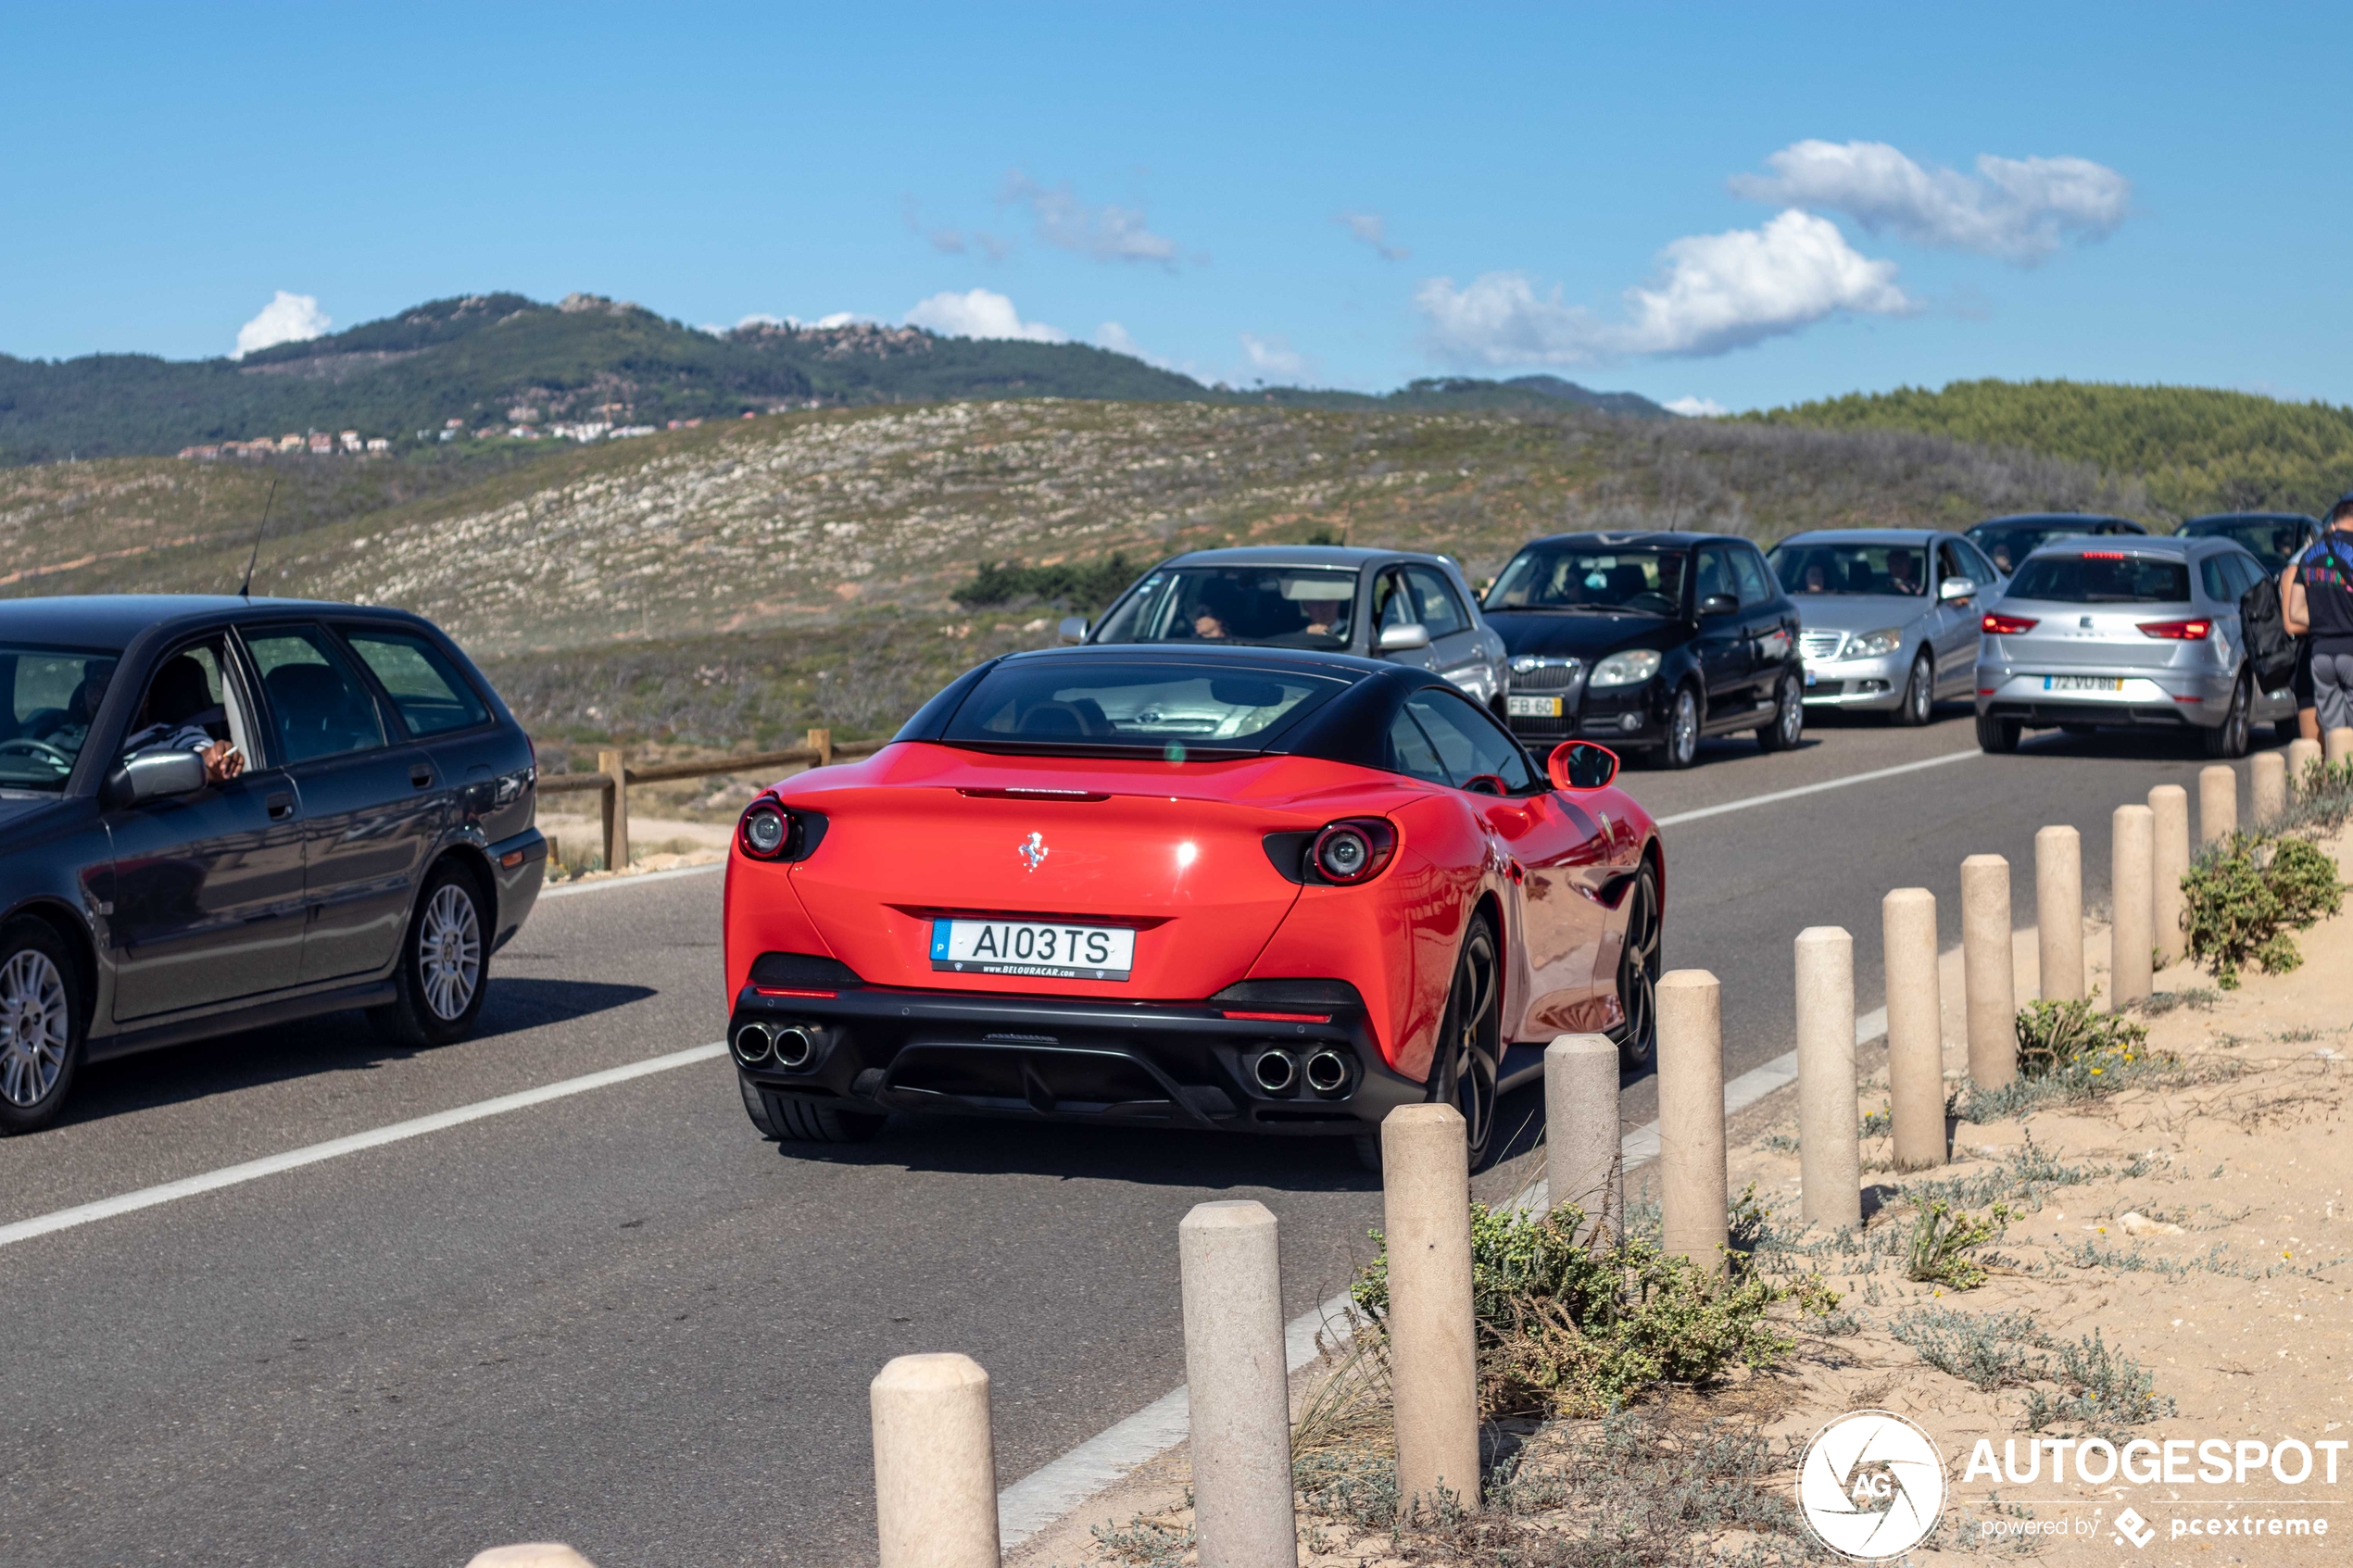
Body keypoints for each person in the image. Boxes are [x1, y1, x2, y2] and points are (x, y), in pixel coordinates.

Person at [2286, 493, 2353, 738]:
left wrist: (2324, 621)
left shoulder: (2309, 555)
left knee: (2334, 735)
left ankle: (2339, 777)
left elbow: (2294, 611)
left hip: (2321, 655)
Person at [120, 654, 243, 784]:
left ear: (144, 699)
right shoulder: (99, 742)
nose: (98, 703)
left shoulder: (174, 736)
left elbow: (201, 757)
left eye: (119, 697)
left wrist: (215, 760)